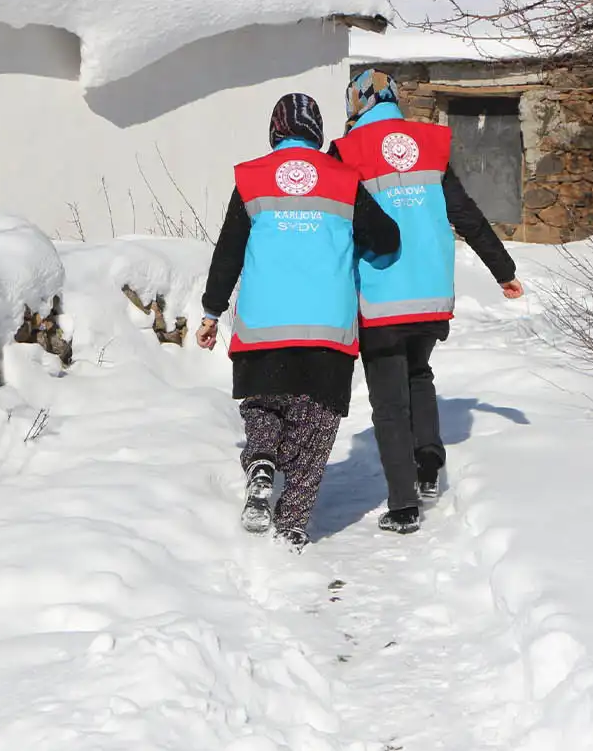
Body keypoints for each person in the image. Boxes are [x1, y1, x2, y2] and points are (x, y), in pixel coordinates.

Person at [197, 93, 400, 551]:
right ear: (316, 130)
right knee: (317, 420)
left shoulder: (251, 179)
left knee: (264, 404)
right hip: (327, 328)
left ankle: (263, 461)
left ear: (275, 131)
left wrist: (211, 312)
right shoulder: (345, 179)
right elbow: (386, 239)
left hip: (263, 326)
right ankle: (291, 529)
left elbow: (228, 252)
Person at [329, 69, 524, 535]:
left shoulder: (345, 151)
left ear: (358, 101)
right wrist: (504, 270)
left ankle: (402, 504)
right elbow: (464, 213)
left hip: (379, 293)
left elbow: (333, 221)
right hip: (431, 293)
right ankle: (429, 460)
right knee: (418, 372)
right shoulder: (430, 143)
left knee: (388, 400)